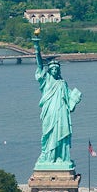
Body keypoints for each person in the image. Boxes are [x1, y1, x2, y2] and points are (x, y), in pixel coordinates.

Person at [33, 35, 81, 167]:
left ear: (58, 70)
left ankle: (61, 157)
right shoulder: (46, 80)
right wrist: (37, 49)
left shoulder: (62, 83)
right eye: (52, 69)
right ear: (49, 70)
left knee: (61, 133)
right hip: (49, 111)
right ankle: (49, 157)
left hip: (61, 112)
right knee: (48, 134)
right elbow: (39, 65)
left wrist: (75, 97)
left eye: (56, 69)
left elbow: (70, 98)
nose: (54, 70)